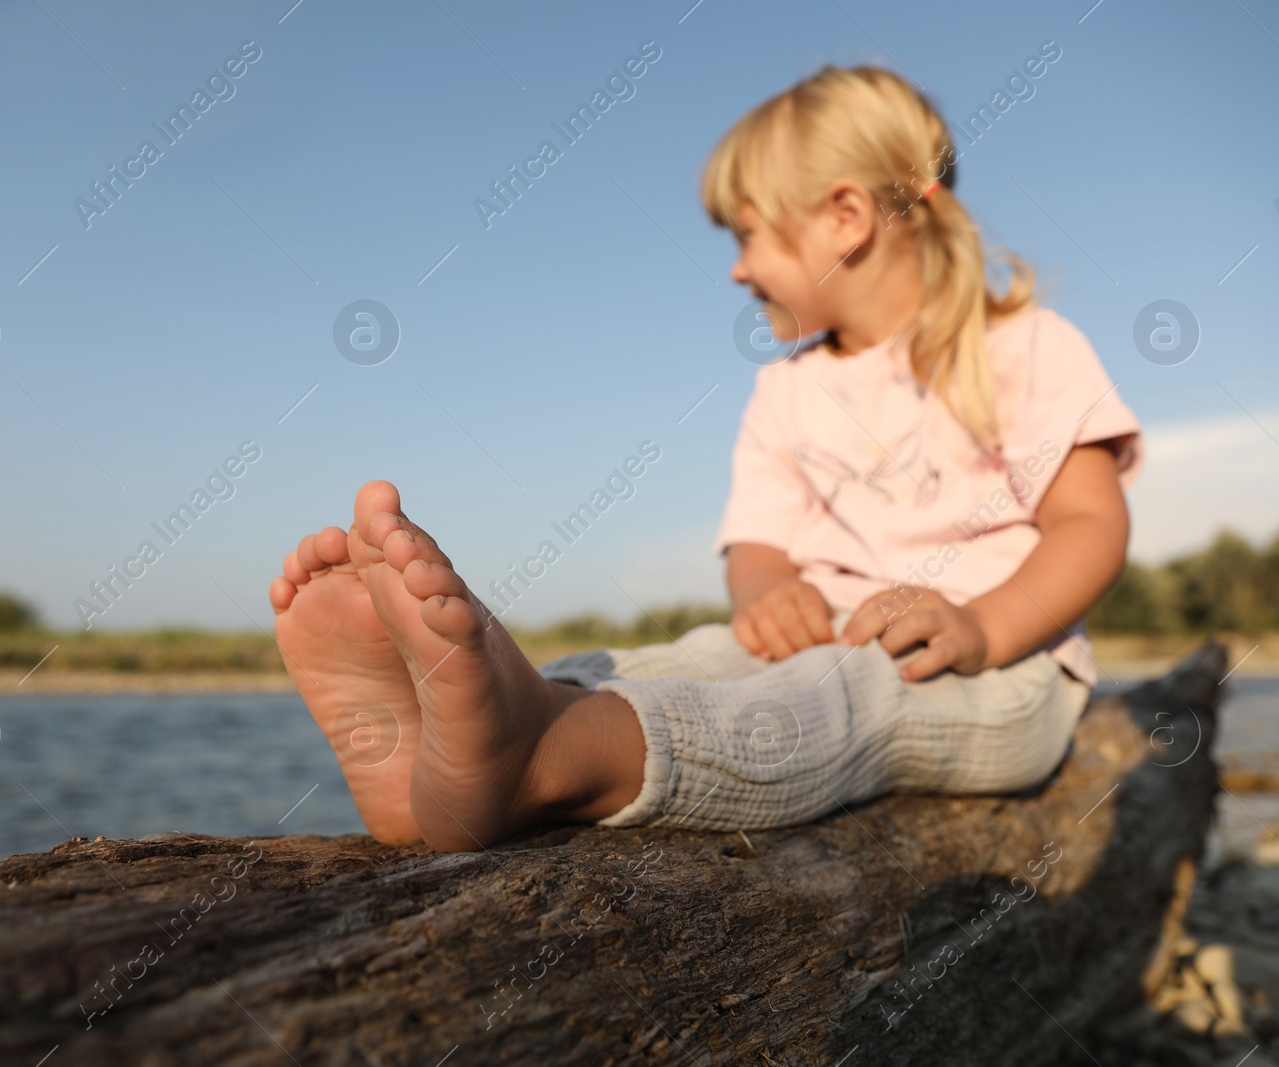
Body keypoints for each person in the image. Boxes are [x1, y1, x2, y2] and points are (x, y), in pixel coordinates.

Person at [267, 66, 1142, 852]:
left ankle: (543, 757)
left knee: (852, 705)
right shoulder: (788, 392)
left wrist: (986, 624)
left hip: (995, 673)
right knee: (693, 656)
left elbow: (1090, 522)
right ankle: (452, 746)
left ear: (845, 218)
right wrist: (768, 601)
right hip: (824, 637)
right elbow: (758, 544)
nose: (735, 271)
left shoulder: (1022, 348)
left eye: (749, 237)